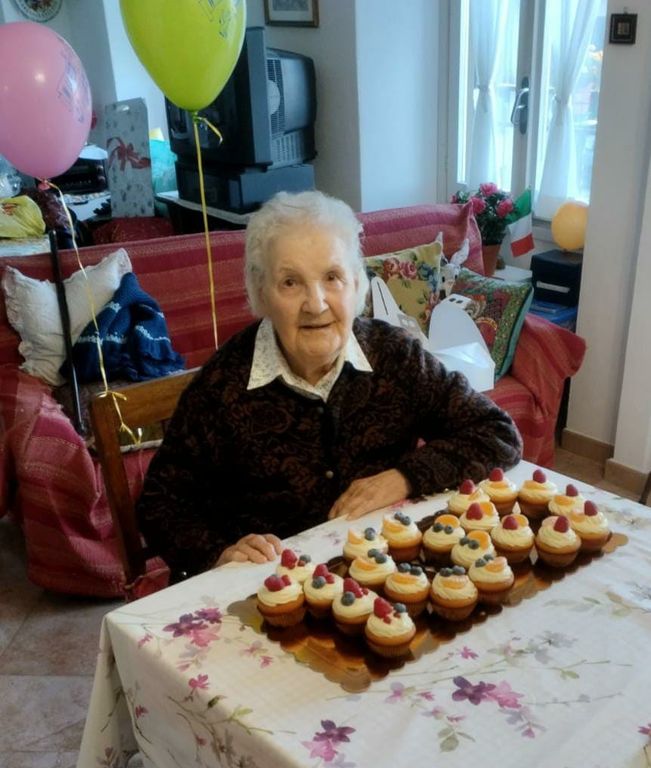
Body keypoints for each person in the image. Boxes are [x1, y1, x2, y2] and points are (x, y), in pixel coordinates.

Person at [137, 190, 522, 577]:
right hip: (272, 586)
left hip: (383, 574)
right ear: (262, 294)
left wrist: (404, 477)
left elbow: (497, 433)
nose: (316, 304)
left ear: (356, 284)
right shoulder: (222, 386)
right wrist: (218, 553)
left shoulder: (396, 356)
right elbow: (160, 502)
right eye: (291, 282)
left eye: (332, 277)